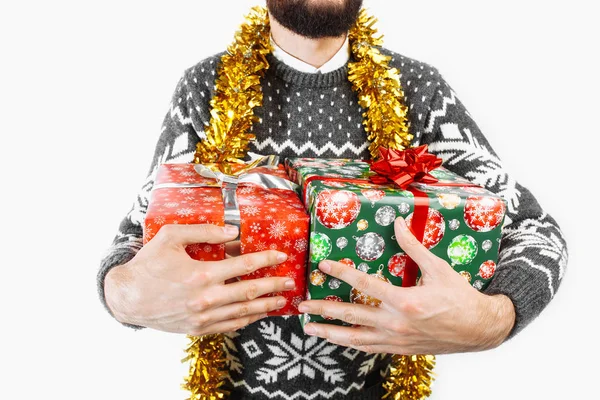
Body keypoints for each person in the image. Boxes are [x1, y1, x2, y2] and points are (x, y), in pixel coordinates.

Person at [97, 0, 568, 398]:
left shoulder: (417, 91)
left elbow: (534, 229)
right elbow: (135, 238)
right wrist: (124, 295)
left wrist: (494, 317)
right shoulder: (206, 88)